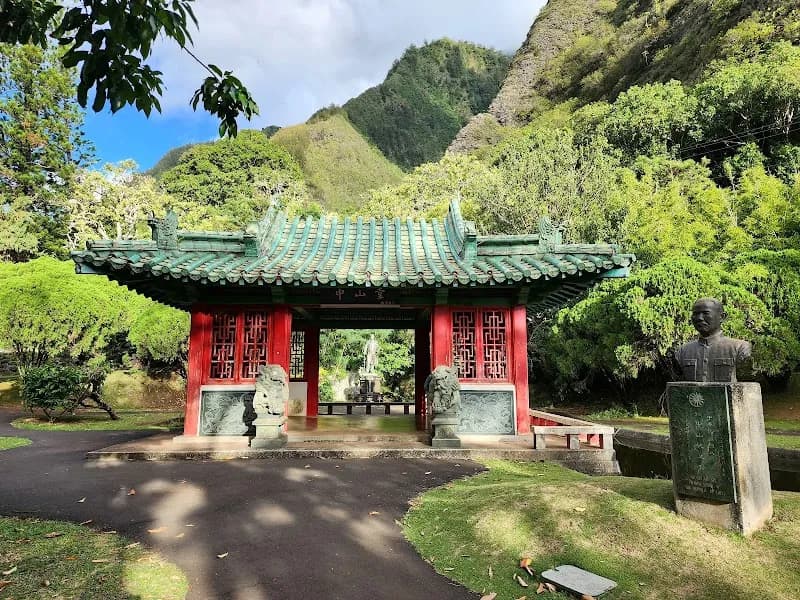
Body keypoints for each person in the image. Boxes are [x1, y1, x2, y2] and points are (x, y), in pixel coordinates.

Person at [674, 298, 752, 382]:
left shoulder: (740, 348)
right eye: (695, 314)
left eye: (706, 313)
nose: (699, 318)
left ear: (722, 317)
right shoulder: (682, 352)